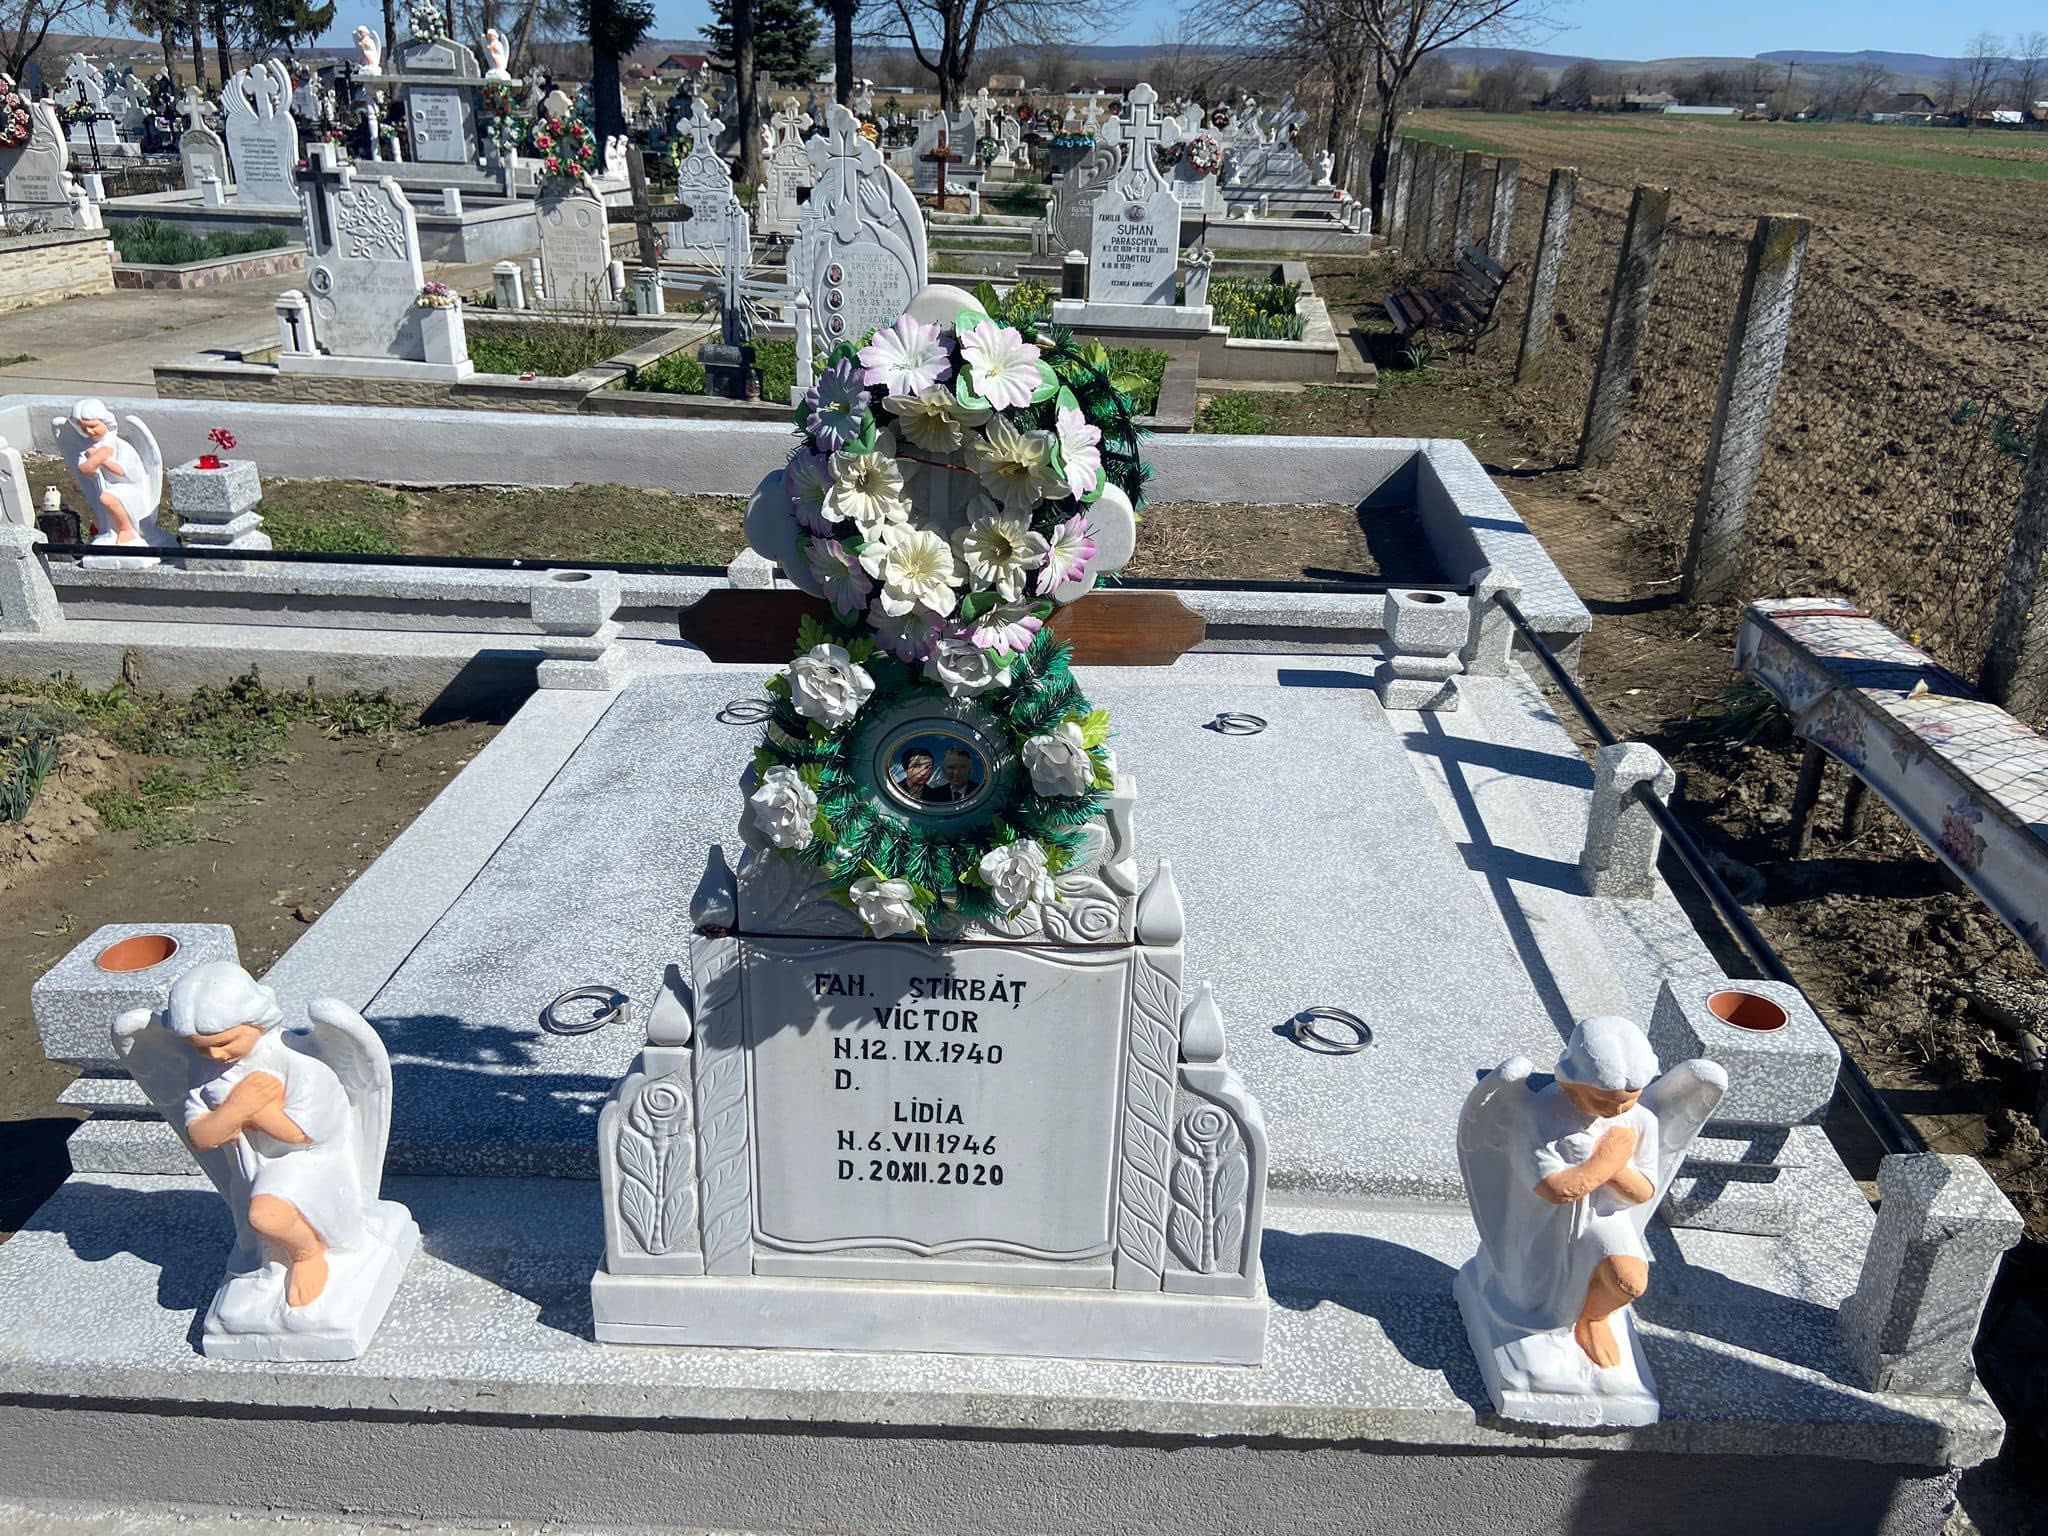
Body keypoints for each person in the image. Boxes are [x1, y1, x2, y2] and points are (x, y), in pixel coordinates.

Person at [170, 962, 365, 1309]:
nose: (215, 1054)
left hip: (305, 1161)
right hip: (250, 1167)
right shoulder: (205, 1071)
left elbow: (306, 1135)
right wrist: (237, 1109)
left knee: (266, 1215)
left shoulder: (296, 1061)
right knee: (255, 1220)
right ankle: (276, 1262)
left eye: (224, 1042)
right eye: (202, 1047)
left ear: (255, 1021)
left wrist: (260, 1113)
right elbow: (200, 1136)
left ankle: (307, 1255)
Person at [1526, 1016, 1661, 1367]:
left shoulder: (1642, 1121)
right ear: (1570, 1084)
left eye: (1628, 1100)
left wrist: (1614, 1169)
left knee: (1630, 1281)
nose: (1617, 1110)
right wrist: (1608, 1160)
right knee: (1535, 1295)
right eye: (1604, 1101)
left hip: (1606, 1217)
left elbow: (1644, 1191)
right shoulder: (1544, 1112)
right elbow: (1553, 1189)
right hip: (1546, 1220)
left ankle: (1594, 1317)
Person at [68, 399, 166, 552]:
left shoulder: (121, 446)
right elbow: (85, 469)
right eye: (84, 428)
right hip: (106, 489)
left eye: (93, 427)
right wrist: (97, 457)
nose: (89, 432)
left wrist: (102, 459)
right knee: (105, 498)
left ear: (105, 422)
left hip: (131, 489)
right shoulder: (88, 447)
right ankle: (112, 532)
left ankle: (127, 530)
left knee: (107, 498)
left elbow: (124, 473)